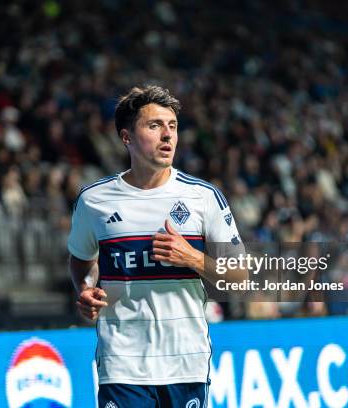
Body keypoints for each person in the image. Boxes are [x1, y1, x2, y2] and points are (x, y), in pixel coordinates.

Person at [67, 85, 246, 407]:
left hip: (185, 361)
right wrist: (85, 287)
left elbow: (239, 277)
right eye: (154, 126)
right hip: (122, 361)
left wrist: (192, 257)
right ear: (127, 138)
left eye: (173, 126)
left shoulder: (203, 197)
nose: (168, 135)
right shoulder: (94, 200)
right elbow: (81, 259)